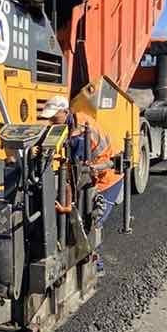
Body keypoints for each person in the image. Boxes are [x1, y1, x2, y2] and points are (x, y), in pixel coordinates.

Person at [40, 95, 124, 272]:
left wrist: (69, 207)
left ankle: (96, 267)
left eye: (55, 118)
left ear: (65, 112)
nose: (52, 122)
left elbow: (75, 176)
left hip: (108, 179)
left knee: (92, 221)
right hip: (92, 175)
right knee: (82, 216)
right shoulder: (73, 122)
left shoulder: (79, 134)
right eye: (50, 119)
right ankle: (83, 259)